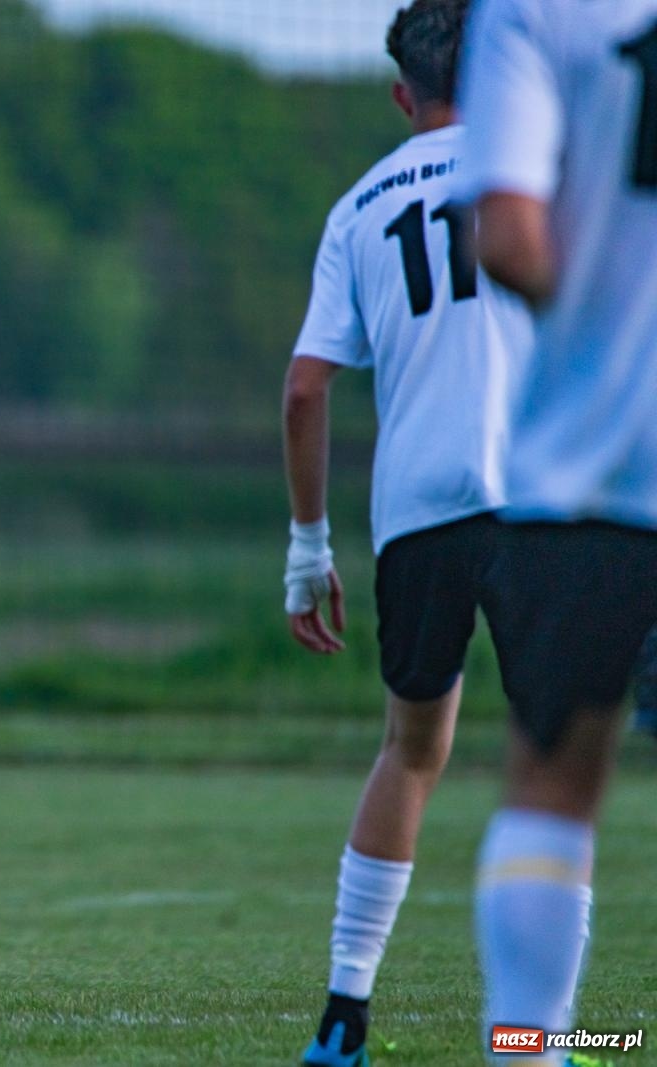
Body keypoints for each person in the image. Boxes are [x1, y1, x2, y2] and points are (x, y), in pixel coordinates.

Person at [281, 3, 535, 1062]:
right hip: (545, 504)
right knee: (555, 763)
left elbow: (304, 389)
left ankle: (344, 1016)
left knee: (412, 749)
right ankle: (537, 1034)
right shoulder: (545, 164)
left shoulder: (358, 205)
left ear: (402, 93)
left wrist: (307, 547)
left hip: (419, 512)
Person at [457, 0, 657, 1058]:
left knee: (552, 781)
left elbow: (513, 240)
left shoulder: (534, 12)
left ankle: (523, 1046)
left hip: (590, 464)